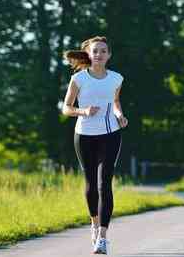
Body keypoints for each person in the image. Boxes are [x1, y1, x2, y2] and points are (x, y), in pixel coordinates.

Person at [62, 36, 128, 254]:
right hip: (84, 135)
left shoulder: (117, 78)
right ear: (88, 54)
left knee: (104, 184)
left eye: (103, 51)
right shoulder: (79, 79)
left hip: (110, 134)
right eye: (95, 51)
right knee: (91, 184)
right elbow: (66, 108)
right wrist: (84, 111)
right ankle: (94, 221)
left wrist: (120, 115)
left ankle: (102, 236)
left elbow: (115, 102)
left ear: (109, 55)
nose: (99, 55)